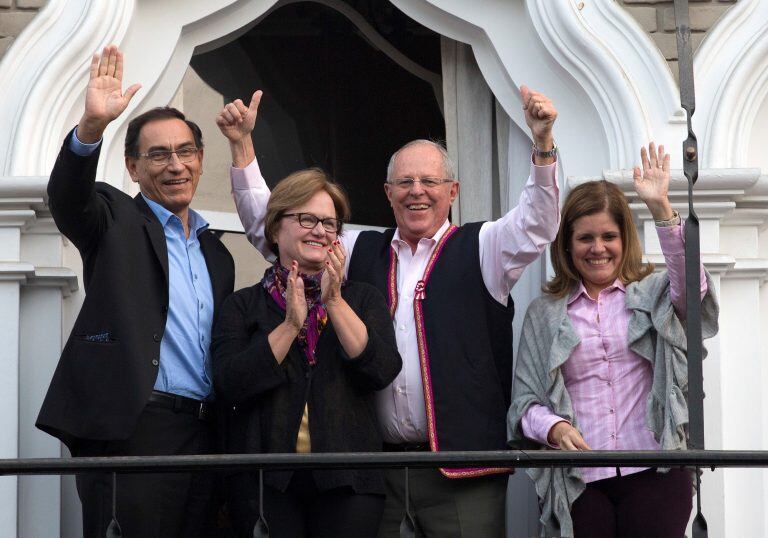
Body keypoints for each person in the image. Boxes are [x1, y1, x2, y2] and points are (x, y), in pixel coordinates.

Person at [217, 85, 560, 536]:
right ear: (387, 192)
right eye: (404, 182)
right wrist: (243, 149)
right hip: (376, 468)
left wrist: (543, 145)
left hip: (459, 471)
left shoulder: (485, 246)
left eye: (430, 182)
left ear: (452, 190)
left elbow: (537, 221)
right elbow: (280, 226)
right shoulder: (356, 246)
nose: (417, 192)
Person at [35, 45, 234, 537]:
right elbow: (68, 198)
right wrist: (91, 129)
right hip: (136, 428)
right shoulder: (115, 218)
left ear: (201, 160)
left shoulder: (218, 255)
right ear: (132, 168)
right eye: (158, 154)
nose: (175, 165)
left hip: (209, 433)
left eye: (185, 151)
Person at [507, 143, 719, 538]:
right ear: (566, 244)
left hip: (655, 470)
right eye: (585, 237)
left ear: (624, 240)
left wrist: (661, 210)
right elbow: (524, 404)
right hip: (579, 481)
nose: (598, 248)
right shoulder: (545, 312)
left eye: (609, 236)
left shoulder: (653, 294)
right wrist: (553, 427)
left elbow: (695, 293)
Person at [211, 167, 402, 537]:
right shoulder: (243, 305)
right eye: (307, 219)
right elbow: (229, 382)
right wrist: (289, 327)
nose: (320, 231)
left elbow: (381, 369)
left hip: (349, 483)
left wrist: (334, 301)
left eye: (330, 224)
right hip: (264, 483)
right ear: (275, 227)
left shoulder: (361, 298)